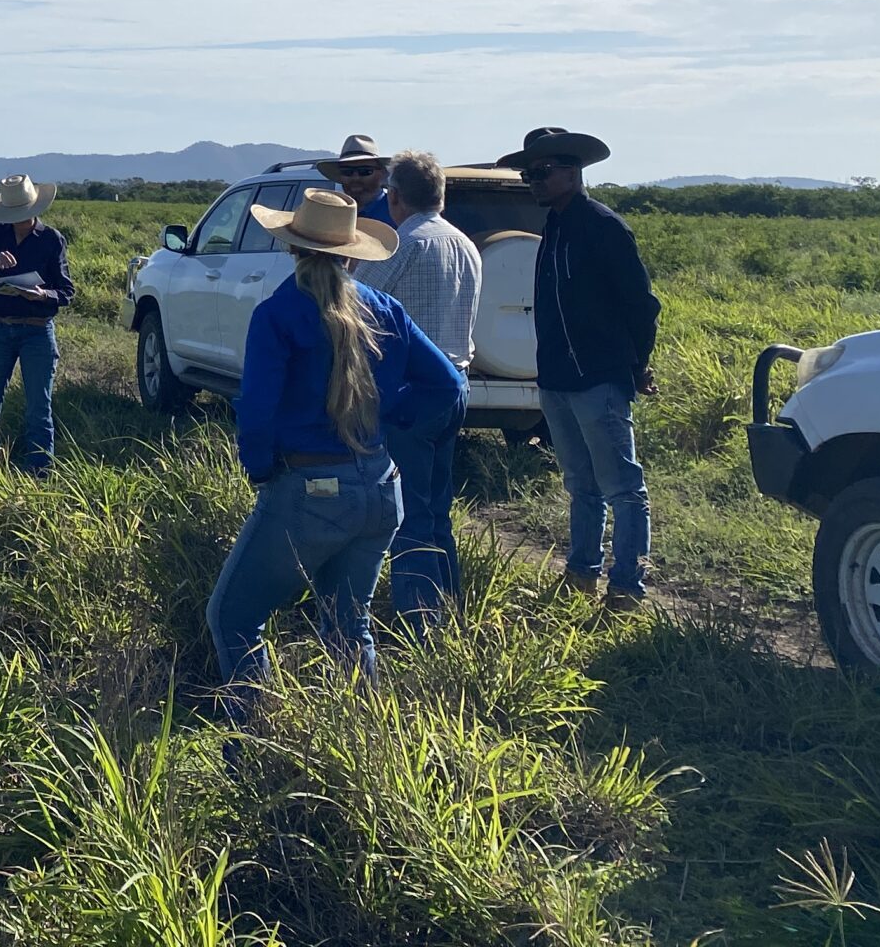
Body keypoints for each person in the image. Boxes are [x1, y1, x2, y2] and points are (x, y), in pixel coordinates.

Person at [208, 189, 460, 722]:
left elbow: (256, 410)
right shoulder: (385, 309)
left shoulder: (278, 312)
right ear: (353, 253)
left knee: (233, 615)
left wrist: (260, 470)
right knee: (351, 624)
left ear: (293, 247)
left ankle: (251, 748)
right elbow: (449, 387)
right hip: (379, 486)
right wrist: (391, 417)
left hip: (309, 488)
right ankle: (361, 745)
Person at [498, 125, 661, 610]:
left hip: (599, 378)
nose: (535, 182)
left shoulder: (602, 226)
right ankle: (581, 574)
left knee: (623, 487)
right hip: (557, 381)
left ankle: (627, 588)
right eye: (530, 174)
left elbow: (641, 305)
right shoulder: (554, 227)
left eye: (543, 173)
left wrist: (637, 366)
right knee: (581, 485)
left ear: (573, 172)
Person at [357, 151, 479, 626]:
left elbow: (355, 302)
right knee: (435, 506)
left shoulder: (402, 244)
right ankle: (448, 604)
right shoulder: (465, 244)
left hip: (410, 391)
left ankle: (418, 619)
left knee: (406, 509)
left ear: (397, 196)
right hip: (456, 384)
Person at [0, 175, 74, 477]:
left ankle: (39, 472)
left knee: (38, 408)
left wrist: (41, 294)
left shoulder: (51, 240)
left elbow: (66, 292)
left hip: (37, 331)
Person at [315, 134, 394, 225]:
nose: (355, 178)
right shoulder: (331, 214)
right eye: (347, 172)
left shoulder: (398, 210)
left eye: (365, 171)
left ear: (382, 173)